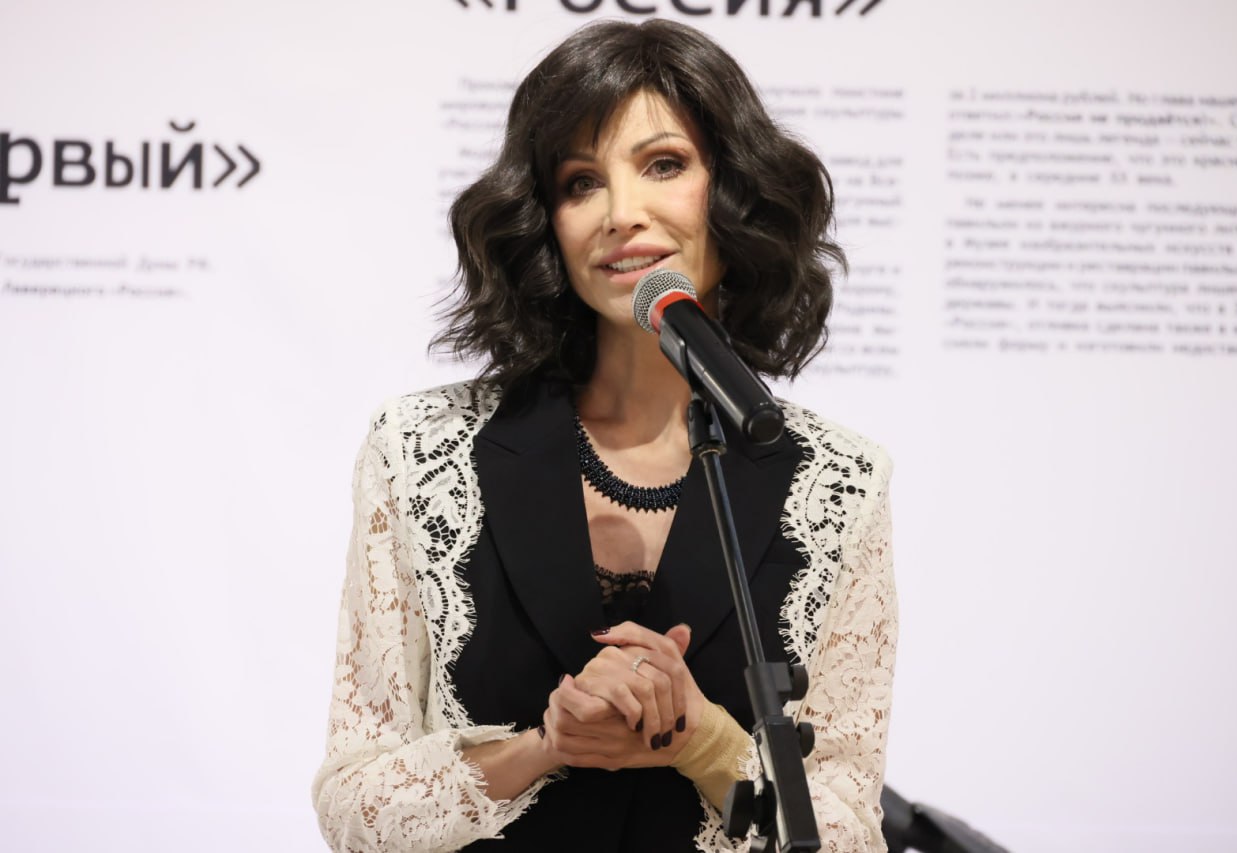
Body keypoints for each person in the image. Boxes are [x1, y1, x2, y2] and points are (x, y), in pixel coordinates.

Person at [313, 18, 896, 853]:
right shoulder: (420, 450)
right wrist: (547, 744)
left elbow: (849, 832)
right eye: (581, 182)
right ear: (545, 219)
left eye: (664, 164)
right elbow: (353, 808)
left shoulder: (838, 480)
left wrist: (705, 738)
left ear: (733, 192)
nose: (622, 214)